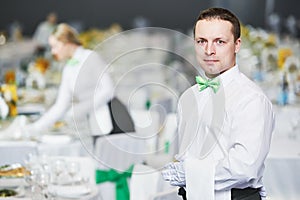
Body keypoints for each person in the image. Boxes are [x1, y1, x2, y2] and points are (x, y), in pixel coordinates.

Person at [162, 7, 275, 200]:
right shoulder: (188, 97)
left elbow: (245, 167)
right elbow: (186, 154)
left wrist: (189, 172)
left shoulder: (251, 98)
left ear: (237, 44)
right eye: (201, 41)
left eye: (219, 42)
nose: (209, 50)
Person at [25, 23, 114, 136]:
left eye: (55, 46)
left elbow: (109, 90)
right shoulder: (68, 68)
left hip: (107, 122)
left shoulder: (91, 57)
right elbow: (60, 105)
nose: (53, 52)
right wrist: (35, 128)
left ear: (67, 43)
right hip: (89, 125)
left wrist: (79, 109)